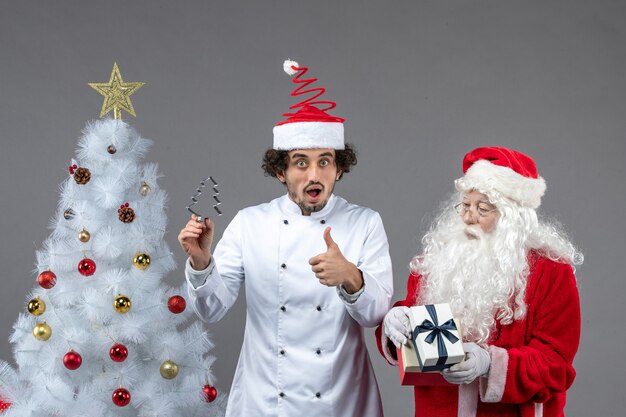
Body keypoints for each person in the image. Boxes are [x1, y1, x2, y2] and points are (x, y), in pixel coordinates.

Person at [179, 60, 393, 417]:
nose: (314, 174)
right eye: (301, 162)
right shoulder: (251, 223)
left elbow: (376, 315)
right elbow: (211, 309)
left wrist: (351, 278)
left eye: (325, 161)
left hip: (340, 400)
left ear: (339, 168)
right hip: (266, 401)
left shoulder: (365, 223)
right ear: (281, 171)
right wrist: (202, 265)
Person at [377, 146, 583, 417]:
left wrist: (491, 364)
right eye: (465, 205)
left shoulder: (551, 271)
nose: (468, 216)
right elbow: (415, 323)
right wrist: (396, 322)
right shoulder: (437, 261)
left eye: (482, 208)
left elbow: (555, 363)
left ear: (512, 219)